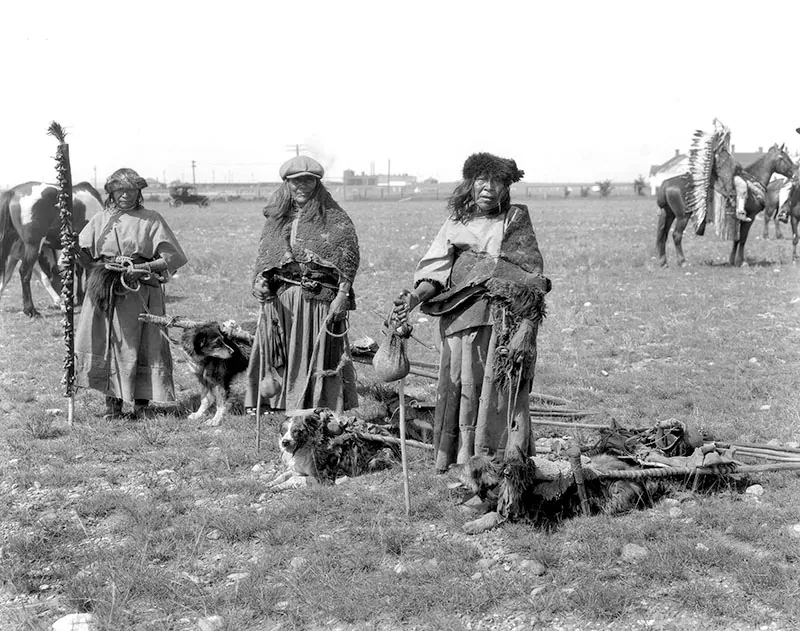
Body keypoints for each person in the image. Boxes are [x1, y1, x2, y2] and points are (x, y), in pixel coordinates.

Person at [393, 152, 550, 473]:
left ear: (507, 187)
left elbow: (530, 276)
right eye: (481, 180)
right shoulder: (456, 223)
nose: (488, 188)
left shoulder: (514, 221)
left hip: (501, 324)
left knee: (498, 389)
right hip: (459, 320)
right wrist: (411, 300)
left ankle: (501, 459)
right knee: (461, 387)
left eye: (497, 181)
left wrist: (525, 328)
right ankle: (460, 458)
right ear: (470, 184)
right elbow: (435, 272)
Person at [72, 168, 188, 420]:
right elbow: (85, 259)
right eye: (119, 190)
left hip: (140, 291)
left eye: (131, 190)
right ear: (111, 193)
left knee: (142, 343)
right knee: (108, 344)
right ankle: (112, 407)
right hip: (105, 291)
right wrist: (73, 250)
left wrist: (142, 268)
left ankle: (141, 405)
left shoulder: (151, 219)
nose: (125, 195)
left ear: (139, 193)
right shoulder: (101, 220)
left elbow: (172, 257)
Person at [246, 155, 359, 412]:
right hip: (284, 300)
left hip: (318, 302)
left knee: (314, 355)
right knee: (280, 352)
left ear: (317, 184)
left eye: (309, 181)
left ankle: (316, 402)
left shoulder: (336, 219)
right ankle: (278, 402)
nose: (302, 186)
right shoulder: (277, 219)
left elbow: (348, 262)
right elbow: (266, 258)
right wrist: (261, 282)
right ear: (287, 184)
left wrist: (342, 296)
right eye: (296, 181)